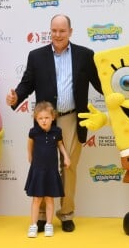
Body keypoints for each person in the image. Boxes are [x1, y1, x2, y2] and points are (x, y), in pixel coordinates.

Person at [6, 14, 102, 232]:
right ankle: (41, 216)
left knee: (69, 167)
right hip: (45, 122)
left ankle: (66, 214)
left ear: (70, 31)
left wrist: (122, 96)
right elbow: (26, 84)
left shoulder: (85, 55)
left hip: (71, 118)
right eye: (54, 31)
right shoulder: (36, 56)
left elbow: (100, 83)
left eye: (62, 31)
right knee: (42, 166)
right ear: (50, 31)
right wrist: (15, 98)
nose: (57, 35)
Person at [25, 101, 70, 238]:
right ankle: (33, 225)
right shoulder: (33, 132)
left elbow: (60, 145)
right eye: (40, 118)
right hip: (38, 170)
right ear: (36, 119)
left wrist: (66, 157)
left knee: (50, 199)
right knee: (37, 199)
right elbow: (30, 145)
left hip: (51, 170)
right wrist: (30, 156)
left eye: (46, 118)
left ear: (53, 117)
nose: (43, 121)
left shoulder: (57, 131)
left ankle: (49, 224)